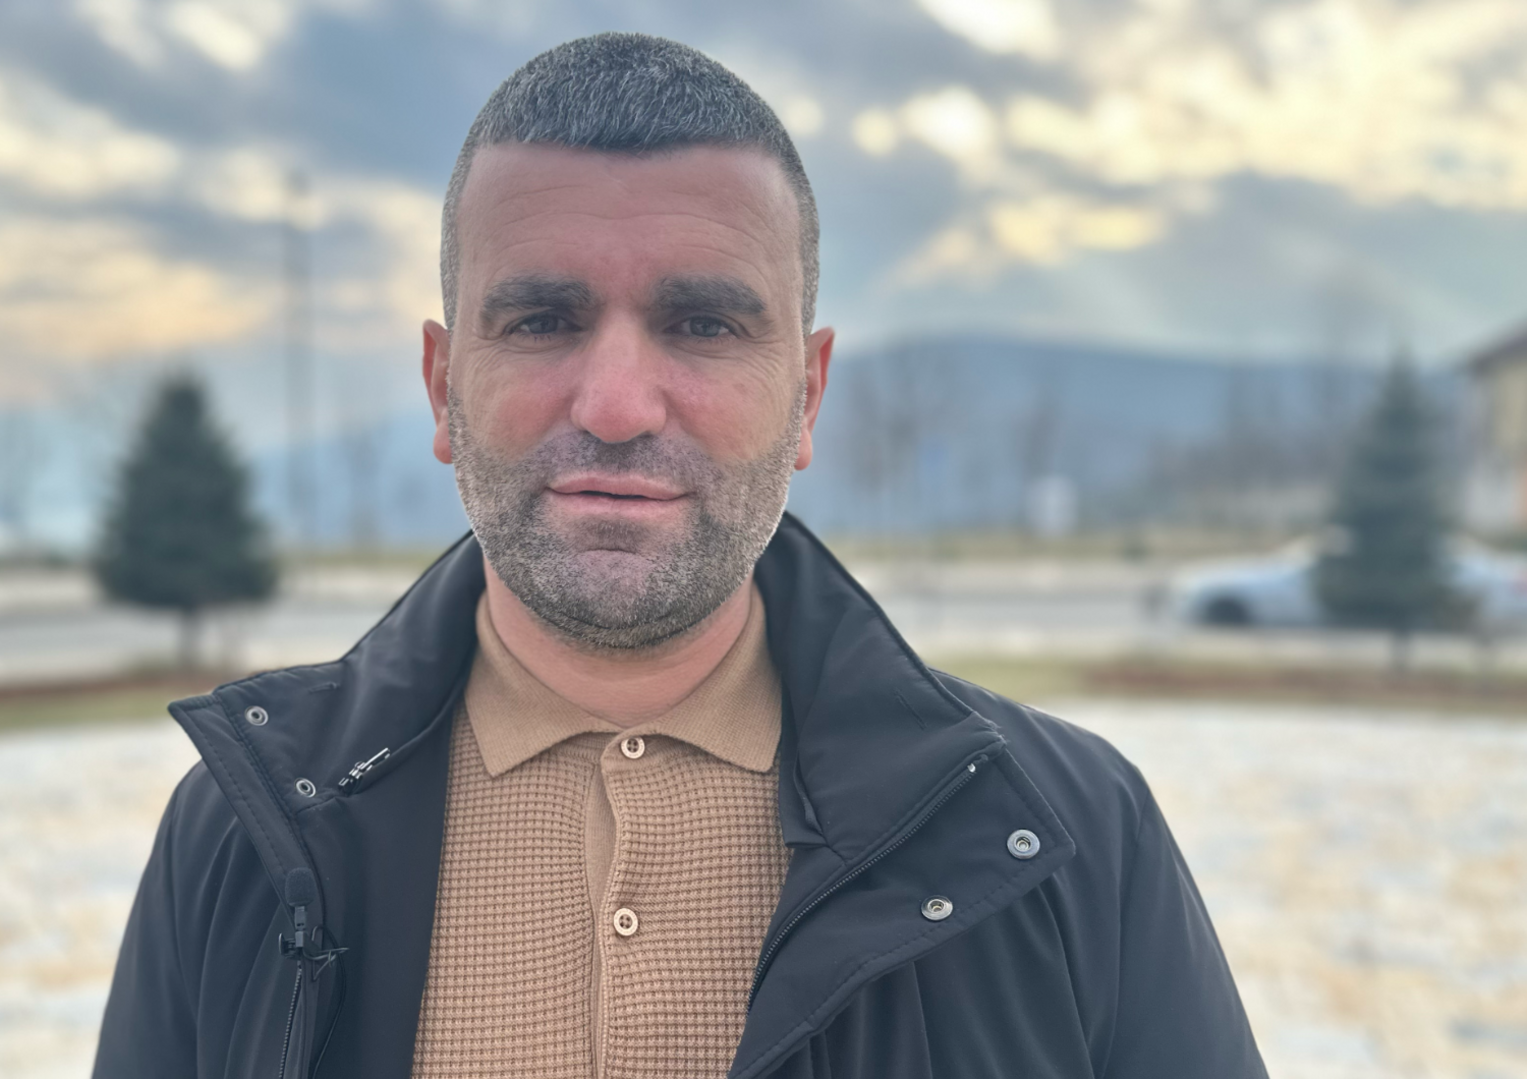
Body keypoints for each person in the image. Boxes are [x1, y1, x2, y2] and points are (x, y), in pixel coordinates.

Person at [92, 33, 1267, 1079]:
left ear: (806, 394)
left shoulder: (1062, 834)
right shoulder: (242, 841)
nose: (613, 402)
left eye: (703, 323)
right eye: (542, 320)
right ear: (442, 385)